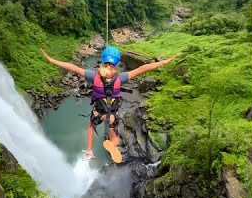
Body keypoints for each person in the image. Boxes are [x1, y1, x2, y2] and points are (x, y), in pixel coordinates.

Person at [41, 46, 179, 163]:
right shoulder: (121, 78)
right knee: (116, 139)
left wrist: (52, 60)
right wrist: (166, 61)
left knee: (90, 126)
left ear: (103, 60)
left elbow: (73, 68)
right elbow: (144, 68)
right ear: (117, 63)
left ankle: (89, 151)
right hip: (112, 116)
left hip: (97, 113)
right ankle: (112, 145)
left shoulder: (93, 76)